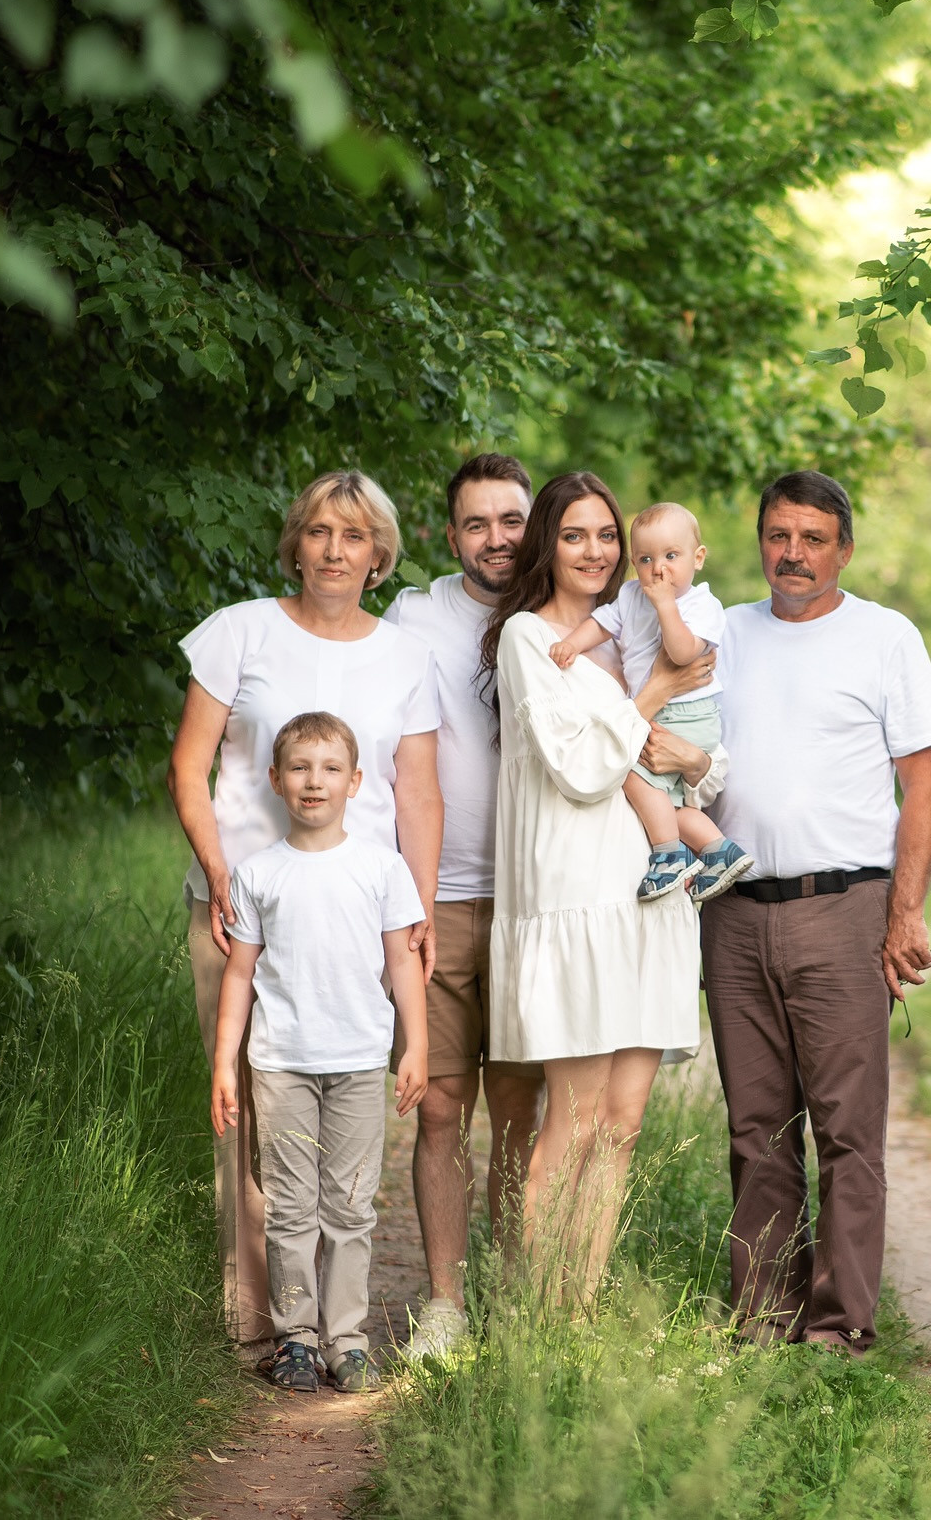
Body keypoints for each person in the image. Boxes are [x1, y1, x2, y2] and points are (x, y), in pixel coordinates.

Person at [167, 470, 444, 1348]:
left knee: (344, 1102)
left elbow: (418, 792)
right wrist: (219, 874)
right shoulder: (239, 631)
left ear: (379, 556)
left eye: (355, 536)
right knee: (247, 1109)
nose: (334, 550)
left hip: (359, 921)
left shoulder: (406, 658)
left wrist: (418, 910)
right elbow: (189, 769)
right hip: (239, 913)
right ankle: (264, 1325)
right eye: (320, 531)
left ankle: (340, 1321)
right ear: (296, 543)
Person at [701, 469, 931, 1353]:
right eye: (779, 535)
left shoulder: (885, 638)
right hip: (733, 912)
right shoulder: (721, 634)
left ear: (844, 549)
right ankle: (766, 1319)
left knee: (847, 1130)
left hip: (845, 908)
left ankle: (840, 1325)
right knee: (756, 1131)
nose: (793, 554)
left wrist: (904, 914)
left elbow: (927, 783)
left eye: (813, 538)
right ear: (759, 541)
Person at [480, 471, 724, 1302]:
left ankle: (576, 1317)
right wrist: (654, 694)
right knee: (575, 1123)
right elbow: (582, 769)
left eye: (607, 535)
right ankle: (535, 1318)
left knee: (621, 1127)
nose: (595, 551)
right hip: (574, 901)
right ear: (547, 544)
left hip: (650, 903)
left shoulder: (644, 627)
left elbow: (702, 769)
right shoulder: (528, 640)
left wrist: (693, 752)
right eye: (575, 535)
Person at [209, 712, 430, 1394]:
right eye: (300, 768)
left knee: (352, 1208)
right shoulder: (257, 874)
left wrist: (417, 1045)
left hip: (358, 1062)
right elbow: (240, 974)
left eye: (331, 768)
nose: (315, 781)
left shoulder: (383, 869)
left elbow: (403, 963)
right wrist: (224, 1064)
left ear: (355, 782)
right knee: (290, 1207)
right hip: (281, 1064)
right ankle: (296, 1341)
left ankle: (347, 1341)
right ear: (276, 780)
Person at [382, 452, 544, 1360]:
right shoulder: (414, 618)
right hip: (434, 897)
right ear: (451, 536)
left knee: (519, 1109)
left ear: (534, 522)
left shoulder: (564, 610)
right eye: (477, 523)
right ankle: (445, 1306)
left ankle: (514, 1298)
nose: (496, 538)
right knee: (442, 1106)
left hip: (531, 898)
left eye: (511, 519)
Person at [547, 500, 754, 903]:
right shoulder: (630, 595)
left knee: (630, 773)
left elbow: (682, 653)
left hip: (688, 714)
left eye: (671, 556)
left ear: (698, 558)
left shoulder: (701, 605)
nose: (658, 569)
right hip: (661, 709)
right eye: (645, 559)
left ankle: (668, 855)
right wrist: (572, 643)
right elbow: (602, 624)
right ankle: (718, 850)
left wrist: (665, 606)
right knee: (666, 801)